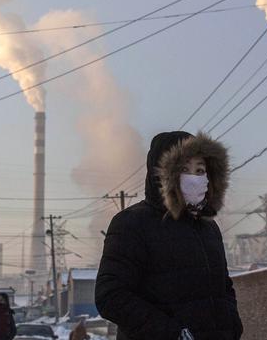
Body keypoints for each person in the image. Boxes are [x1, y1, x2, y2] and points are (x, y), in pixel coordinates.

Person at [95, 131, 243, 340]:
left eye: (199, 170)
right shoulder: (132, 223)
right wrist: (173, 334)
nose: (194, 178)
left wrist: (232, 326)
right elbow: (110, 296)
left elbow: (223, 287)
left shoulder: (208, 227)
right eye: (184, 169)